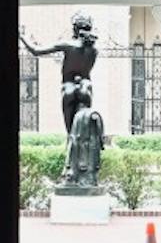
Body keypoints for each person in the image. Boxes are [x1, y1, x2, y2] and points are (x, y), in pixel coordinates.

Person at [20, 12, 104, 185]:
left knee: (71, 134)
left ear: (75, 28)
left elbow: (36, 51)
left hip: (68, 88)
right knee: (84, 132)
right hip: (86, 88)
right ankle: (86, 173)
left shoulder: (68, 45)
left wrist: (22, 37)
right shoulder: (94, 50)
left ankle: (70, 173)